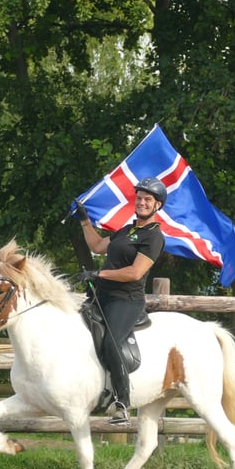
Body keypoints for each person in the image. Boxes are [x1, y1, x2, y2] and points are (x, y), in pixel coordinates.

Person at [73, 177, 167, 425]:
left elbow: (135, 273)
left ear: (157, 205)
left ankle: (121, 402)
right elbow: (96, 245)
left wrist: (98, 273)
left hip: (126, 300)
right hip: (101, 296)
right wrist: (84, 219)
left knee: (111, 342)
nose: (142, 203)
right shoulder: (126, 231)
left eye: (148, 199)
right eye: (139, 198)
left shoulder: (154, 237)